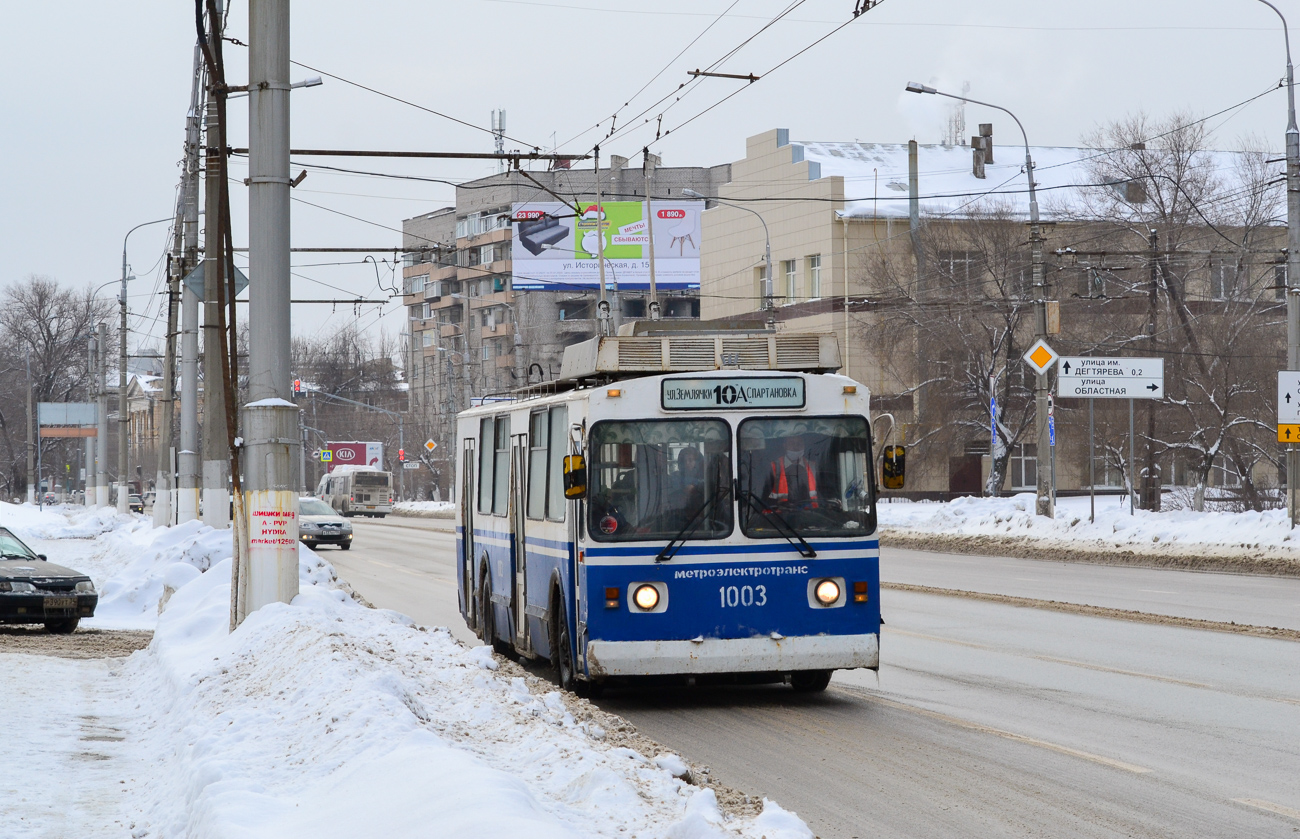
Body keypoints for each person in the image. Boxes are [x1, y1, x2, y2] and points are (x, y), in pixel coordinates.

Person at [762, 435, 819, 510]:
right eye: (791, 443)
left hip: (810, 514)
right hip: (780, 516)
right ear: (784, 445)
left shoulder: (813, 466)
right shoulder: (773, 467)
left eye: (799, 443)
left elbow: (822, 494)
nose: (796, 447)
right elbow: (764, 497)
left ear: (804, 446)